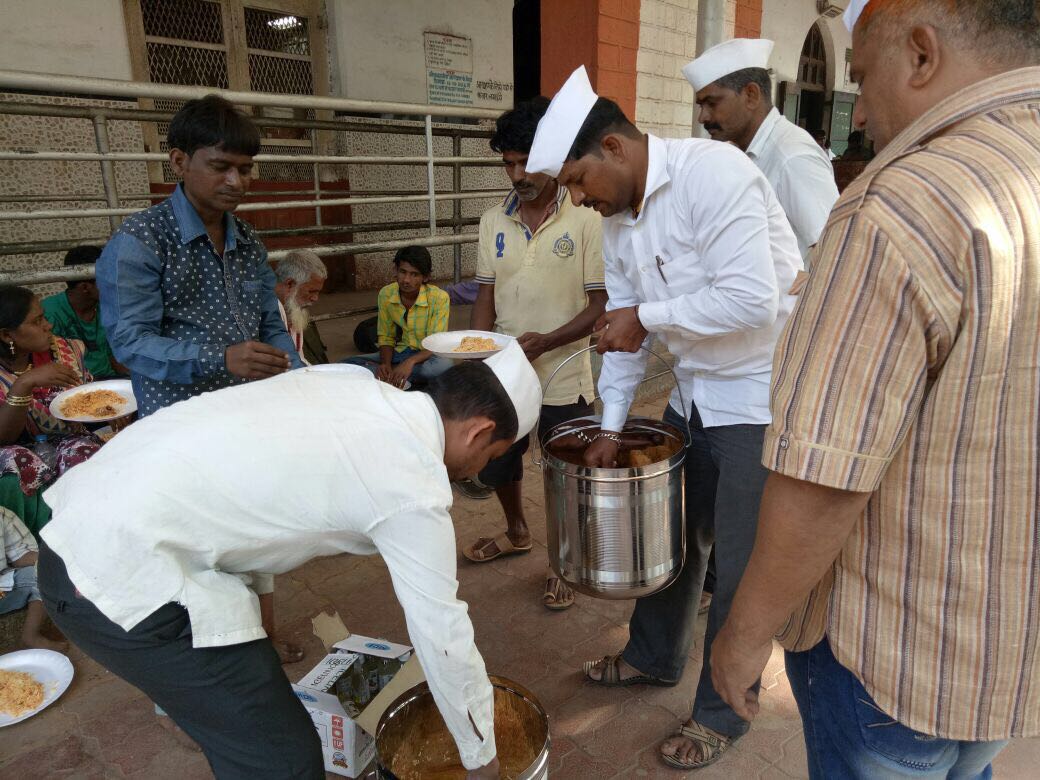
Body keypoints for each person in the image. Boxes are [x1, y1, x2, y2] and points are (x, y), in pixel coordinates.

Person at [709, 2, 1040, 778]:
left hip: (901, 655)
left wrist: (743, 635)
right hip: (1014, 643)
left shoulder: (903, 202)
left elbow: (825, 475)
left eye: (859, 79)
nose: (862, 113)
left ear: (921, 54)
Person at [38, 341, 540, 779]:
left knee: (248, 707)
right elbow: (442, 634)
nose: (479, 469)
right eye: (492, 456)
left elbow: (256, 495)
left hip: (86, 516)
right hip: (112, 578)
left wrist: (262, 629)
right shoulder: (412, 482)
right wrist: (483, 762)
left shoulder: (348, 380)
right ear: (479, 431)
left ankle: (199, 716)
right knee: (284, 758)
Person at [526, 66, 801, 769]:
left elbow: (751, 300)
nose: (580, 201)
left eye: (579, 181)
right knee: (673, 545)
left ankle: (720, 713)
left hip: (756, 400)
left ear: (615, 148)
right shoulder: (618, 222)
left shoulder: (715, 175)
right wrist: (612, 426)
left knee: (738, 567)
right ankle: (653, 656)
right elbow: (623, 334)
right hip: (691, 399)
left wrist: (645, 315)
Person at [461, 97, 607, 612]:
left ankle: (562, 561)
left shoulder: (587, 219)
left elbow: (600, 305)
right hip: (506, 373)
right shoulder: (490, 222)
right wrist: (480, 355)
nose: (517, 173)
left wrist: (547, 341)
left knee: (567, 472)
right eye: (507, 163)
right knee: (499, 462)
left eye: (527, 161)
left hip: (566, 375)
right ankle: (517, 531)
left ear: (552, 157)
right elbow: (484, 295)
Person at [96, 94, 302, 420]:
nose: (236, 181)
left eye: (245, 169)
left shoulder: (248, 240)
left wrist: (297, 374)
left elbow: (270, 325)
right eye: (220, 167)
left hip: (252, 403)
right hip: (179, 415)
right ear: (179, 161)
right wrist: (219, 358)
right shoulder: (141, 240)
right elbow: (131, 342)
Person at [684, 38, 839, 263]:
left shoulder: (791, 156)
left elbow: (834, 252)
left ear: (751, 95)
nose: (703, 117)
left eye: (712, 103)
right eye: (701, 106)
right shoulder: (742, 153)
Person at [0, 286, 101, 536]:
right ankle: (39, 547)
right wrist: (24, 384)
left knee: (87, 456)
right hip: (12, 450)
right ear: (6, 335)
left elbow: (85, 403)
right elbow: (3, 438)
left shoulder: (63, 352)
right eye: (37, 321)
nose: (48, 326)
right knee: (18, 463)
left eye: (44, 317)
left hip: (66, 439)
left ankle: (89, 534)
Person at [342, 245, 453, 387]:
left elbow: (436, 343)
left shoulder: (439, 298)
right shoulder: (386, 294)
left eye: (414, 274)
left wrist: (410, 362)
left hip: (427, 356)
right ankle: (398, 375)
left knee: (443, 366)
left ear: (426, 277)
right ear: (395, 270)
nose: (406, 280)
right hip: (400, 352)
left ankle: (394, 375)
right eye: (403, 272)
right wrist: (384, 363)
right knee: (348, 363)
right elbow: (386, 336)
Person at [42, 245, 125, 380]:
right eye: (109, 279)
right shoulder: (49, 314)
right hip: (76, 385)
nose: (116, 284)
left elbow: (114, 356)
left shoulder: (107, 307)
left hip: (110, 380)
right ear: (85, 287)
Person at [0, 506, 65, 652]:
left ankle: (31, 636)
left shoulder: (2, 515)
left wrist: (59, 559)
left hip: (2, 590)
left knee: (44, 572)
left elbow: (20, 556)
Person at [273, 248, 328, 366]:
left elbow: (300, 358)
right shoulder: (269, 312)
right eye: (311, 291)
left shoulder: (293, 307)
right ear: (290, 284)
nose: (315, 298)